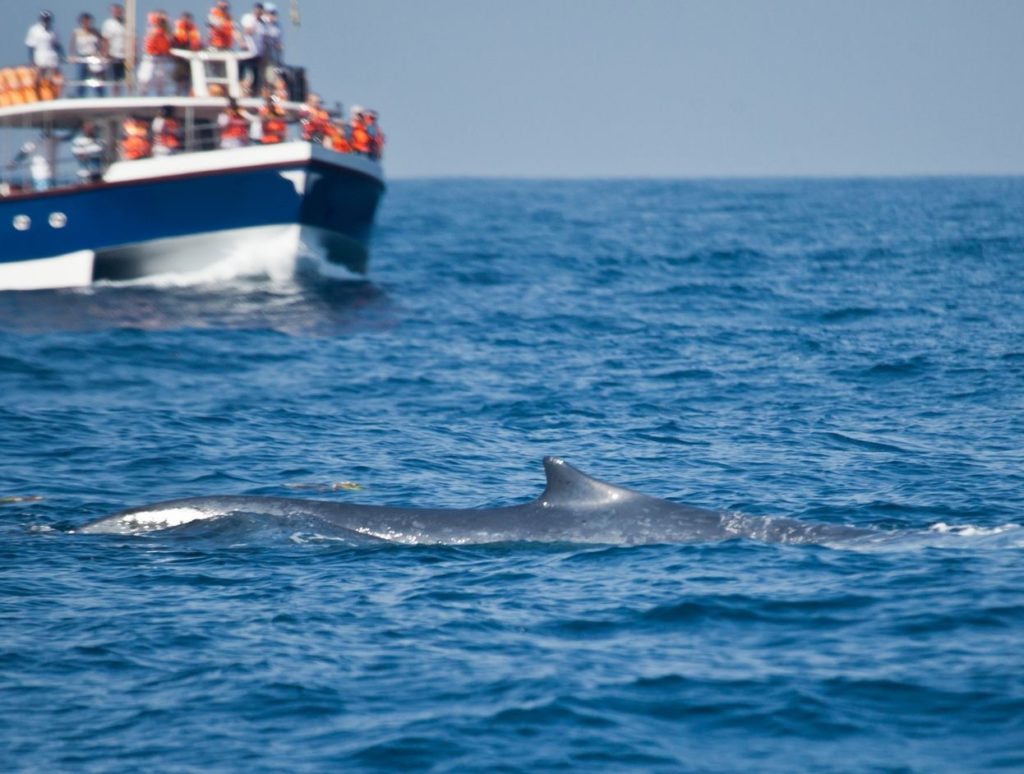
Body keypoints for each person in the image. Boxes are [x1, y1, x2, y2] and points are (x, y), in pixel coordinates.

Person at [69, 13, 103, 97]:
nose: (87, 23)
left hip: (93, 56)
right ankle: (79, 96)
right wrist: (72, 55)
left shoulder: (95, 32)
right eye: (84, 21)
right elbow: (72, 44)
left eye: (88, 21)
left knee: (97, 78)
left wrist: (102, 53)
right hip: (82, 57)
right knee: (81, 77)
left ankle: (100, 96)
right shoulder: (77, 32)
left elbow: (103, 42)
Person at [138, 11, 172, 96]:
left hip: (161, 57)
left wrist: (165, 22)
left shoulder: (166, 30)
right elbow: (152, 31)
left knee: (161, 78)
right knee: (145, 77)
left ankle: (160, 95)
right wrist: (159, 18)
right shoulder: (152, 27)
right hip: (150, 56)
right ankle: (142, 94)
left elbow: (169, 34)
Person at [25, 11, 62, 81]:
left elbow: (57, 45)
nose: (46, 21)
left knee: (50, 79)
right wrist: (31, 60)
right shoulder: (34, 30)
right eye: (44, 19)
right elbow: (30, 46)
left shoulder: (54, 31)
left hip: (51, 57)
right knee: (37, 78)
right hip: (39, 56)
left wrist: (62, 56)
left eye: (47, 19)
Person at [171, 11, 202, 95]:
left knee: (189, 78)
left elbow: (197, 42)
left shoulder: (193, 30)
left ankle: (188, 93)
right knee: (179, 78)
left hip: (190, 58)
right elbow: (174, 43)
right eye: (185, 18)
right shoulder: (177, 30)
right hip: (180, 59)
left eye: (188, 18)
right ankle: (177, 94)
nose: (186, 20)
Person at [101, 4, 126, 95]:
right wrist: (105, 53)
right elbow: (105, 39)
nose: (117, 13)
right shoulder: (108, 24)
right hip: (114, 55)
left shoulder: (127, 23)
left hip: (126, 55)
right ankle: (116, 95)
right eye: (115, 11)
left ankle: (130, 95)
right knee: (115, 78)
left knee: (127, 77)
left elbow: (133, 38)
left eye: (118, 11)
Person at [239, 3, 264, 94]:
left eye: (260, 10)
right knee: (244, 69)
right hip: (248, 50)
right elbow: (247, 31)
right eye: (257, 10)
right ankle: (242, 87)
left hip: (257, 52)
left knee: (255, 73)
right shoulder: (249, 18)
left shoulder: (262, 23)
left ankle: (254, 91)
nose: (258, 12)